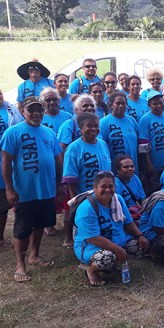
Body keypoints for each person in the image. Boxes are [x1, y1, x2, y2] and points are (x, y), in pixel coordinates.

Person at [1, 97, 62, 282]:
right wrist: (9, 189)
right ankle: (20, 264)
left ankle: (34, 255)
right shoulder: (13, 133)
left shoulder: (49, 133)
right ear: (22, 110)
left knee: (40, 223)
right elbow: (6, 162)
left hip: (46, 189)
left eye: (39, 109)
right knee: (22, 228)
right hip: (24, 191)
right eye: (31, 110)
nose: (36, 113)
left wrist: (58, 184)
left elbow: (58, 158)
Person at [72, 171, 148, 287]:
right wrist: (118, 250)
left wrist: (140, 236)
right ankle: (91, 270)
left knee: (140, 246)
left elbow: (128, 223)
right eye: (103, 186)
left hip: (117, 239)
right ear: (95, 187)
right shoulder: (87, 208)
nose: (107, 190)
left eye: (110, 186)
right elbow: (93, 238)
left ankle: (114, 265)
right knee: (106, 258)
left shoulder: (118, 200)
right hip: (91, 245)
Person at [63, 112, 112, 246]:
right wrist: (75, 200)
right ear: (80, 128)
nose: (93, 129)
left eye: (96, 126)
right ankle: (83, 249)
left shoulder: (102, 144)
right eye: (89, 126)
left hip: (104, 194)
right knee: (85, 225)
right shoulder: (74, 148)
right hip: (85, 196)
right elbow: (70, 178)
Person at [137, 91, 164, 194]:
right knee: (157, 190)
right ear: (149, 105)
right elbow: (143, 144)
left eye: (160, 102)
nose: (158, 106)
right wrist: (148, 163)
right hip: (156, 163)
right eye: (155, 104)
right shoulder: (145, 119)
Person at [99, 92, 139, 169]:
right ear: (111, 105)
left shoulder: (132, 120)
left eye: (123, 103)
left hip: (132, 166)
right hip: (114, 168)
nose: (121, 106)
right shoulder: (104, 122)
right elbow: (102, 147)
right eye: (117, 103)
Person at [113, 154, 145, 221]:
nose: (130, 169)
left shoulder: (135, 178)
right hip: (124, 217)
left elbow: (143, 198)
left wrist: (144, 208)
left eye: (132, 166)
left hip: (138, 213)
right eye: (126, 167)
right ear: (118, 170)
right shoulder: (115, 184)